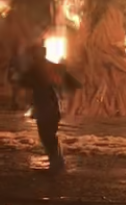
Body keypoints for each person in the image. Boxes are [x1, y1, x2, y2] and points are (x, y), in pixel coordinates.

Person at [18, 44, 82, 173]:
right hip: (53, 107)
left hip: (43, 107)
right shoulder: (55, 68)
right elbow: (75, 84)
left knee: (46, 136)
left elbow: (22, 81)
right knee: (50, 136)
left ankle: (56, 164)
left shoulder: (35, 68)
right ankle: (57, 163)